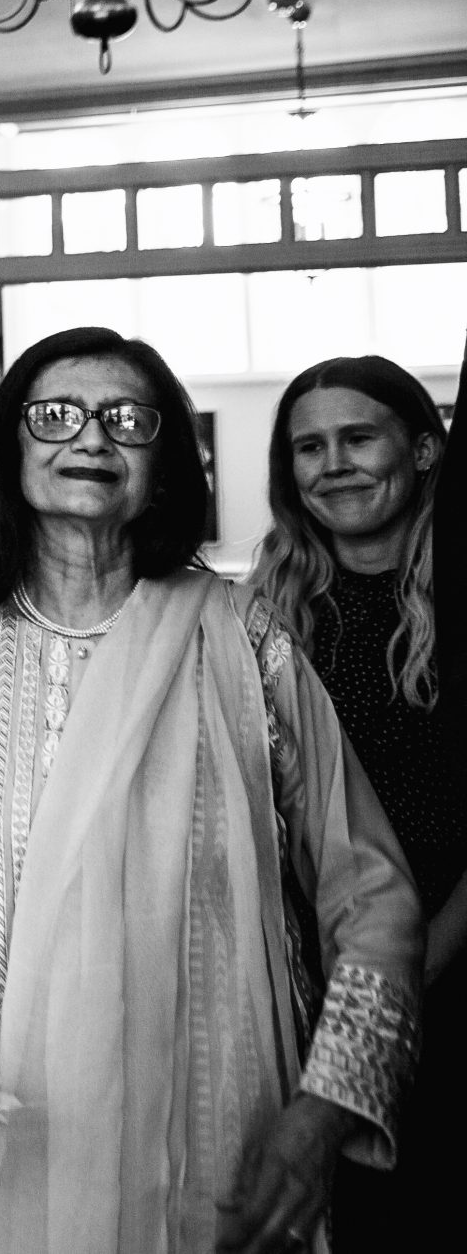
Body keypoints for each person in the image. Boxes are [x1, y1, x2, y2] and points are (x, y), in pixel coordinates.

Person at [0, 327, 422, 1254]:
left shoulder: (245, 641)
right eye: (58, 414)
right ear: (12, 447)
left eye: (128, 420)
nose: (93, 439)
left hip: (216, 1143)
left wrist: (326, 1108)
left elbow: (375, 894)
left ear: (164, 462)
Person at [249, 356, 461, 1249]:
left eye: (358, 438)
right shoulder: (262, 619)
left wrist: (399, 981)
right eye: (309, 447)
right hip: (314, 997)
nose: (332, 463)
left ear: (419, 450)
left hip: (447, 973)